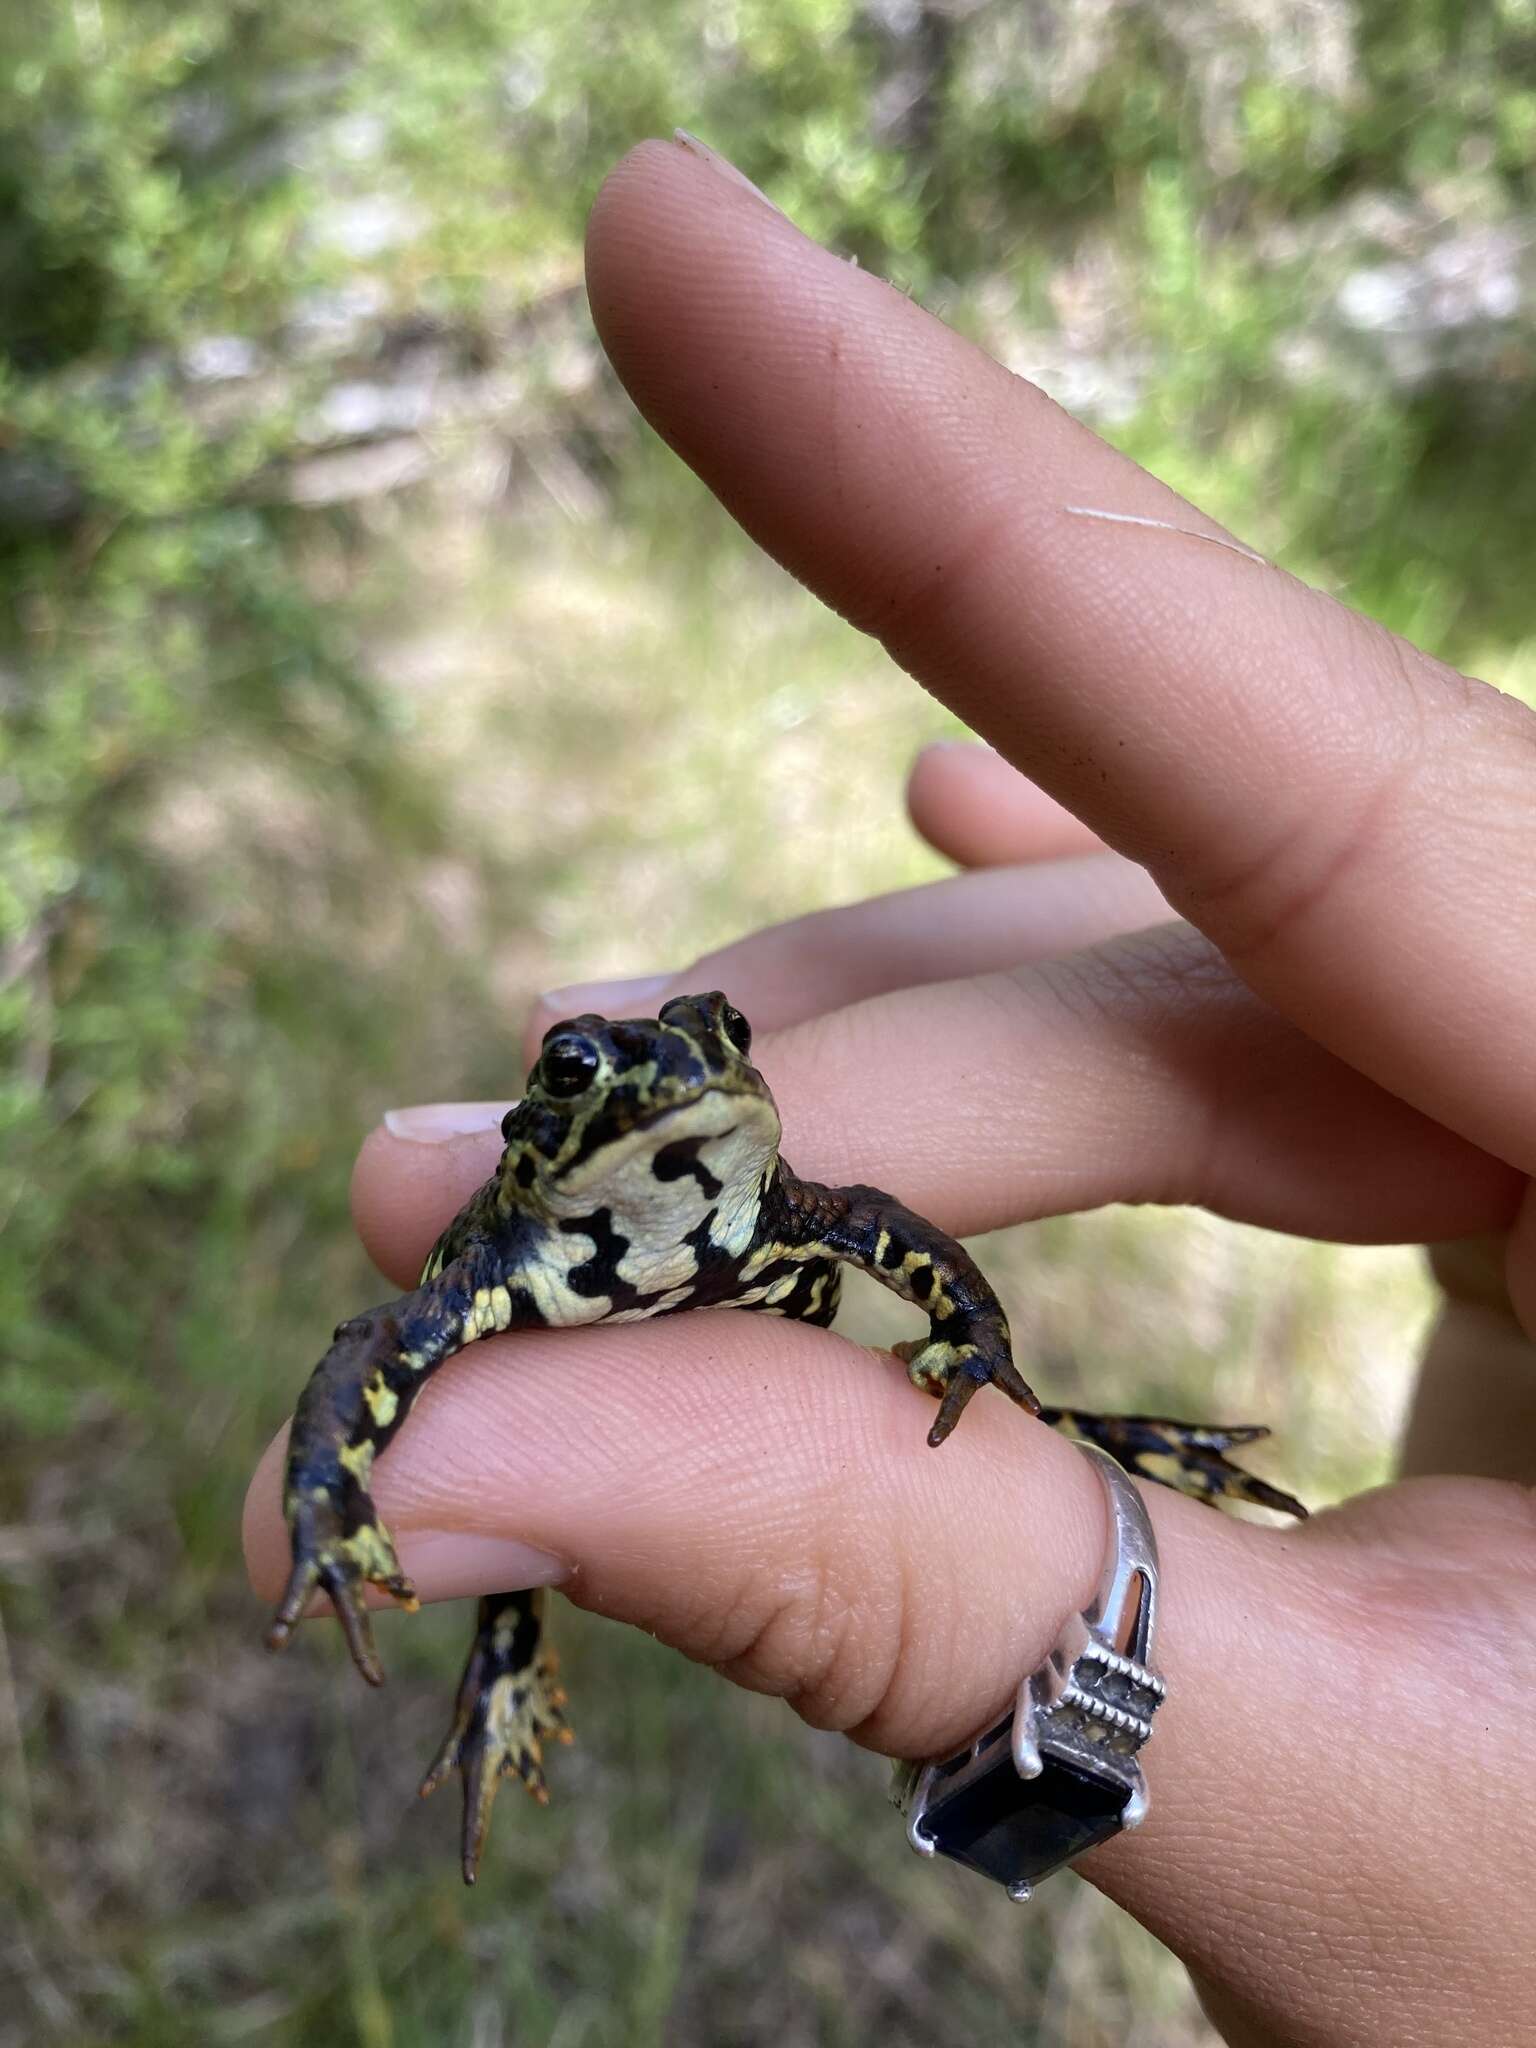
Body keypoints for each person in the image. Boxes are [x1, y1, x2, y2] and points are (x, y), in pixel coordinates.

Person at [245, 136, 1536, 2044]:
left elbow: (922, 1260)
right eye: (615, 1071)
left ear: (744, 1104)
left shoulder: (790, 1215)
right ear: (554, 1127)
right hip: (582, 1317)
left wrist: (966, 1363)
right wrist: (340, 1506)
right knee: (495, 1510)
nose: (684, 1082)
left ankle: (1077, 1465)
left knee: (933, 1398)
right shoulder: (504, 1265)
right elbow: (375, 1350)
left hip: (700, 1304)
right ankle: (498, 1659)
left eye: (717, 1059)